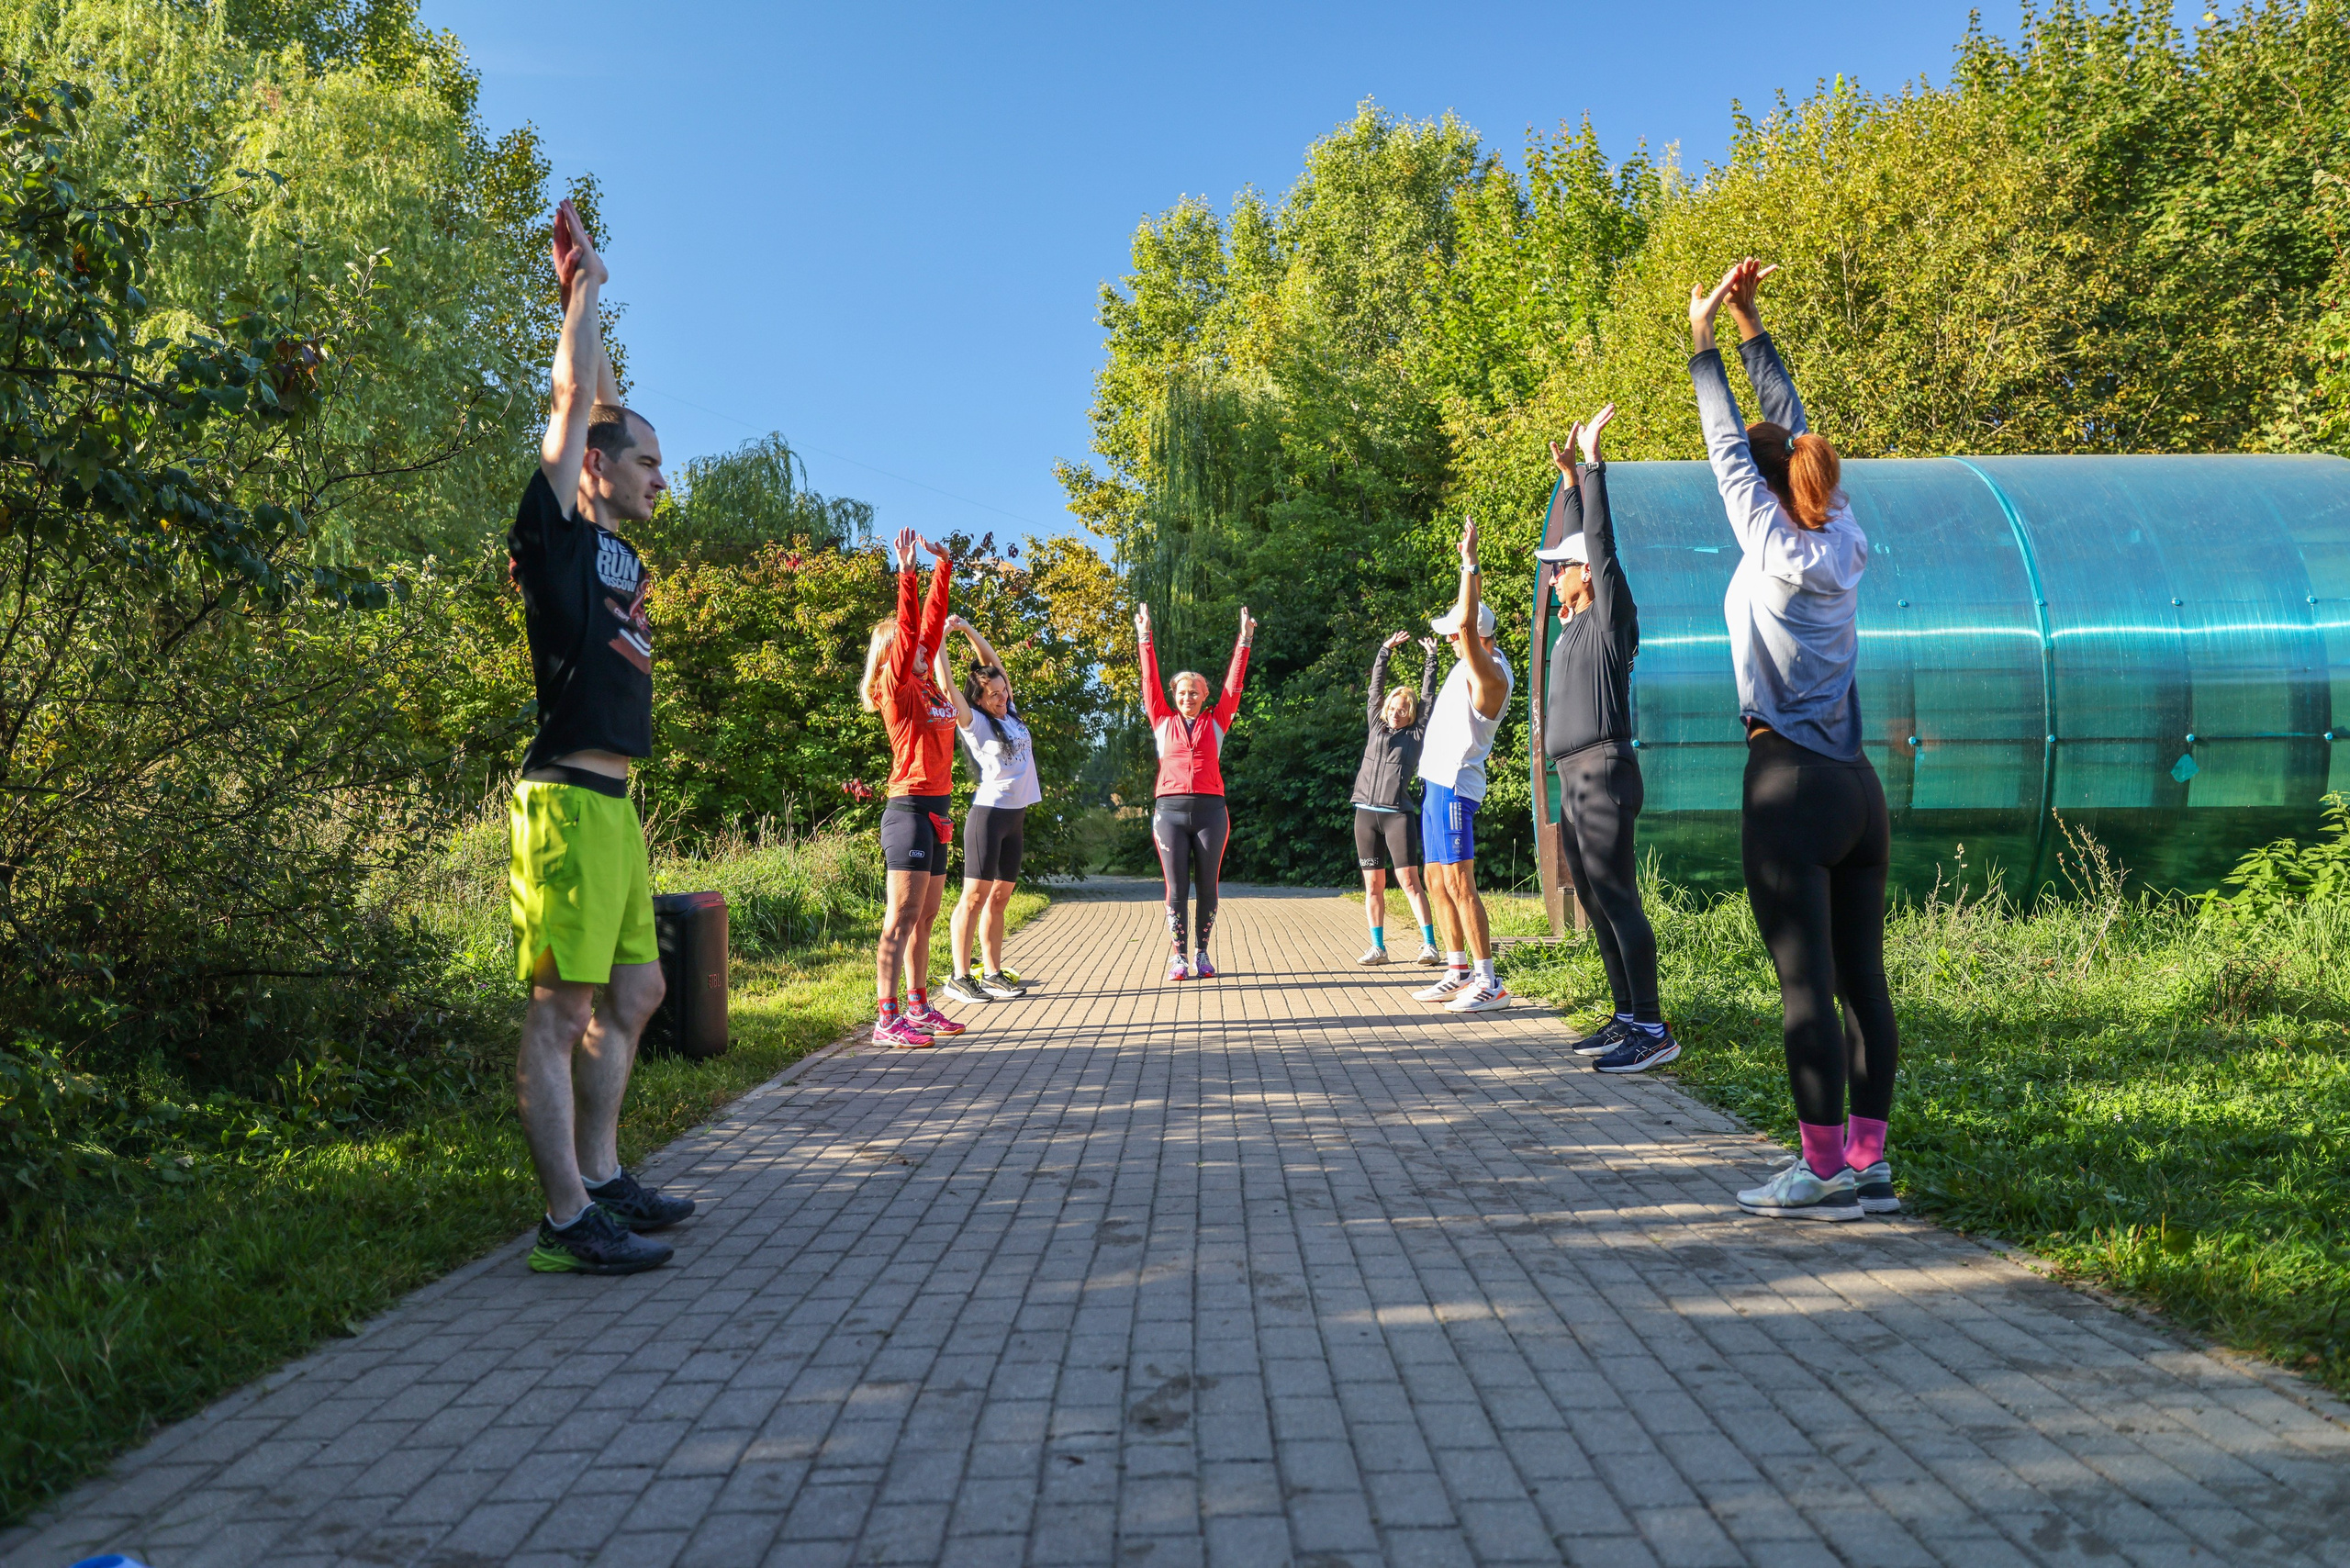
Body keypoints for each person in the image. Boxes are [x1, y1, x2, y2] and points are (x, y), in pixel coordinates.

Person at [1689, 257, 1897, 1222]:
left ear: (1768, 488)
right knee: (1862, 979)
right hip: (1856, 788)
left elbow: (1729, 445)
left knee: (1805, 987)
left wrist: (1702, 343)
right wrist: (1749, 323)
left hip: (1787, 781)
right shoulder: (1841, 532)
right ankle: (1867, 1163)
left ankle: (1817, 1172)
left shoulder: (1769, 539)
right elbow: (1784, 429)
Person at [507, 199, 694, 1275]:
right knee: (560, 1005)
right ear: (594, 472)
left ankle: (607, 1175)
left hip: (616, 808)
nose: (660, 476)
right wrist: (585, 291)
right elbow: (580, 402)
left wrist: (580, 302)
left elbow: (605, 398)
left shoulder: (615, 539)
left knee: (636, 993)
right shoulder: (560, 532)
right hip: (565, 802)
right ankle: (565, 1219)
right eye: (648, 464)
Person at [1532, 406, 1677, 1073]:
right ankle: (1626, 1015)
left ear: (1584, 573)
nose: (1552, 575)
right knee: (1592, 898)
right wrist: (1567, 482)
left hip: (1605, 770)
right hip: (1575, 776)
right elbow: (1577, 541)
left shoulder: (1610, 621)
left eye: (1560, 568)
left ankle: (1652, 1027)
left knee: (1617, 896)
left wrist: (1593, 467)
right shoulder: (1572, 625)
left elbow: (1601, 548)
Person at [861, 528, 968, 1047]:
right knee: (901, 916)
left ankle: (920, 1006)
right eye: (911, 648)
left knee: (926, 916)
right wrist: (906, 575)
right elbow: (910, 636)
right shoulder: (898, 691)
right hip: (908, 807)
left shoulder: (927, 683)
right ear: (892, 656)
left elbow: (926, 628)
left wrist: (941, 568)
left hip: (939, 808)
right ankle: (887, 1017)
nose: (925, 647)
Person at [1414, 519, 1516, 1013]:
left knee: (1459, 882)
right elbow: (1464, 630)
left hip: (1457, 786)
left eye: (1458, 635)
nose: (1452, 641)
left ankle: (1488, 981)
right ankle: (1457, 971)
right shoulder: (1462, 665)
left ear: (1475, 634)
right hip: (1435, 785)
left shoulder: (1490, 675)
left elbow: (1467, 628)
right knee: (1435, 879)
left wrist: (1469, 565)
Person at [1136, 602, 1255, 980]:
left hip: (1210, 812)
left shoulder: (1217, 721)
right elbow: (1149, 680)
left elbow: (1234, 685)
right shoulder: (1161, 719)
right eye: (1183, 692)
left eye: (1196, 692)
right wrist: (1144, 636)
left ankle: (1202, 954)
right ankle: (1178, 957)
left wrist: (1245, 640)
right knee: (1176, 886)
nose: (1189, 697)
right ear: (1174, 696)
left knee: (1207, 885)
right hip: (1169, 812)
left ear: (1205, 696)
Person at [938, 616, 1036, 1004]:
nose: (1001, 696)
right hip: (988, 817)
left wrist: (968, 630)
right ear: (978, 699)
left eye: (1002, 691)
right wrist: (942, 640)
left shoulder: (1009, 714)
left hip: (1016, 817)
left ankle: (993, 972)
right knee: (974, 897)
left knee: (1000, 898)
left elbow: (994, 663)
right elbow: (947, 684)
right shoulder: (974, 722)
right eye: (992, 694)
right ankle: (959, 976)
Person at [1350, 630, 1442, 966]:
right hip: (1365, 814)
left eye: (1403, 709)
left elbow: (1428, 699)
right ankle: (1378, 947)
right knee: (1373, 886)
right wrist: (1384, 651)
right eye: (1392, 707)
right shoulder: (1376, 725)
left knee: (1409, 881)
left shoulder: (1416, 734)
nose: (1395, 713)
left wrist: (1431, 660)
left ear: (1410, 712)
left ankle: (1430, 945)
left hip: (1397, 815)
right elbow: (1374, 690)